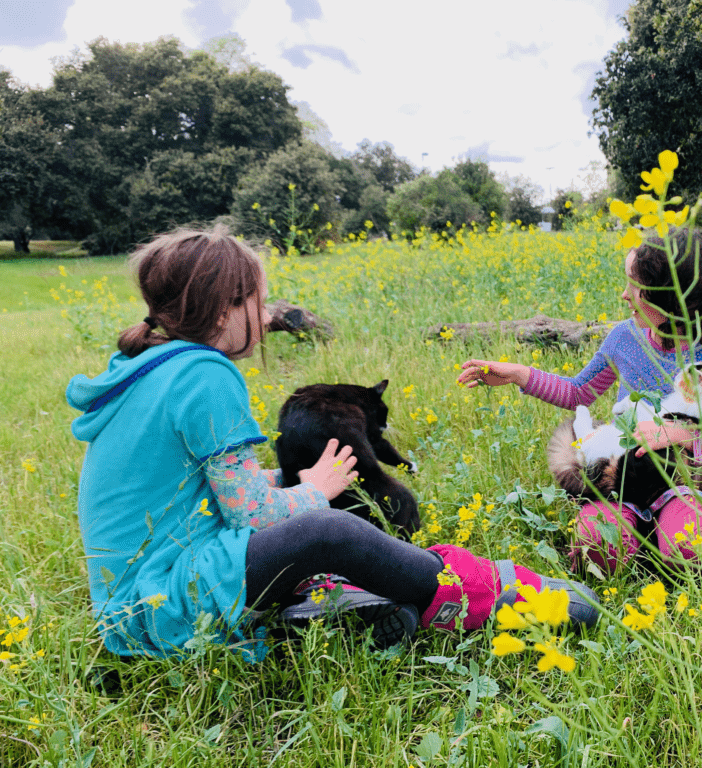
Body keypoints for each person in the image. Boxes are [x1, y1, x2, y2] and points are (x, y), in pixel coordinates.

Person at [67, 226, 597, 660]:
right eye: (262, 300)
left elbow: (198, 491)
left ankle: (340, 608)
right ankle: (485, 594)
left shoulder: (146, 368)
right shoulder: (201, 372)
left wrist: (286, 480)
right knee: (326, 531)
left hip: (134, 609)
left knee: (306, 523)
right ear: (226, 308)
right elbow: (250, 517)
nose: (270, 315)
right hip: (164, 602)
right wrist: (314, 489)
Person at [459, 227, 702, 575]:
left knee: (688, 545)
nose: (625, 295)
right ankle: (648, 543)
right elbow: (580, 392)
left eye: (635, 286)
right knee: (596, 544)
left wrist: (682, 437)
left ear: (671, 298)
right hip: (621, 480)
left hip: (685, 487)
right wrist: (520, 374)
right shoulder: (626, 336)